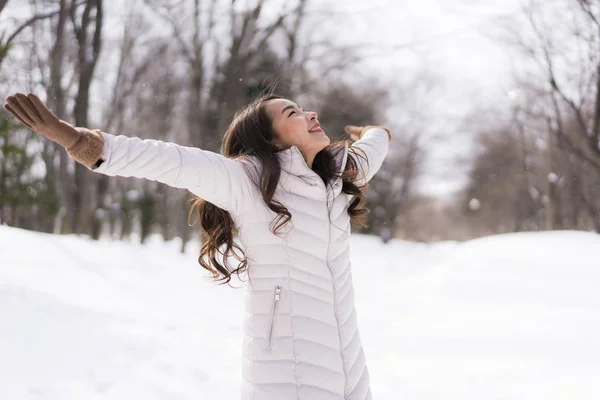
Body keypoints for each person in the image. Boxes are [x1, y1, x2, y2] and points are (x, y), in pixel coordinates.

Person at [3, 92, 391, 400]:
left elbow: (371, 151)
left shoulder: (338, 175)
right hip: (285, 375)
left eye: (304, 109)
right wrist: (79, 140)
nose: (310, 115)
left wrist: (377, 132)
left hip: (349, 373)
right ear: (271, 140)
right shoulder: (247, 181)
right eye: (293, 113)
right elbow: (170, 161)